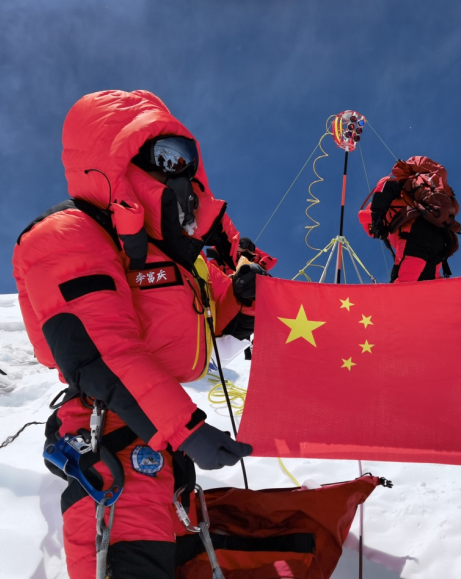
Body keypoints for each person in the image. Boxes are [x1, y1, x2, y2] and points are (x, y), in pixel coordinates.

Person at [12, 90, 265, 579]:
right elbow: (102, 352)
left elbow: (224, 324)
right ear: (112, 162)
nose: (179, 172)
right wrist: (187, 430)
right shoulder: (66, 235)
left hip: (160, 445)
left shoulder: (172, 257)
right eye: (163, 157)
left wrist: (247, 294)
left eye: (185, 158)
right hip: (107, 439)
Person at [359, 156, 460, 282]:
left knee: (405, 278)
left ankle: (398, 299)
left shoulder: (400, 188)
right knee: (430, 280)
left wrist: (376, 222)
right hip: (442, 235)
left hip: (415, 231)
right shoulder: (435, 187)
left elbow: (364, 215)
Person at [206, 236, 277, 276]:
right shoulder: (220, 262)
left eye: (251, 248)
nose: (246, 249)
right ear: (236, 246)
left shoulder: (256, 269)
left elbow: (270, 262)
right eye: (244, 244)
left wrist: (255, 255)